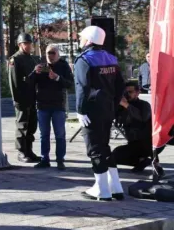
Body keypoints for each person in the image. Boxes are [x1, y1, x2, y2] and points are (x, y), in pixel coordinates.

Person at [75, 25, 125, 201]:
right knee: (104, 147)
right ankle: (116, 187)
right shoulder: (111, 59)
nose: (80, 40)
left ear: (89, 40)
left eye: (82, 37)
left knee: (95, 149)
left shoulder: (84, 60)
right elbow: (120, 86)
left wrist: (80, 111)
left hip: (91, 110)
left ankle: (102, 190)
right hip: (108, 109)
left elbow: (82, 88)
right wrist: (113, 105)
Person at [32, 45, 73, 170]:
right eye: (47, 53)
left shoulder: (63, 66)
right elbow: (29, 82)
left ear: (58, 54)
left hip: (58, 106)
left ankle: (60, 159)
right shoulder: (41, 66)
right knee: (44, 135)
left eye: (52, 53)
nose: (50, 55)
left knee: (59, 134)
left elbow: (70, 84)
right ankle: (45, 159)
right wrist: (34, 72)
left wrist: (57, 78)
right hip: (42, 105)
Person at [113, 80, 165, 175]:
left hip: (149, 143)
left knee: (146, 143)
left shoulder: (144, 105)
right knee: (115, 155)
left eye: (130, 92)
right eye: (125, 92)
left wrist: (127, 105)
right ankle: (142, 161)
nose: (127, 95)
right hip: (134, 143)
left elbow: (142, 118)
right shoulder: (120, 107)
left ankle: (156, 164)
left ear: (138, 93)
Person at [8, 33, 41, 163]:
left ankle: (29, 150)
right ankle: (21, 152)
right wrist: (17, 100)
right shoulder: (15, 59)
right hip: (22, 97)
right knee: (22, 126)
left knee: (32, 125)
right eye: (26, 43)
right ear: (20, 44)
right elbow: (14, 82)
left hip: (32, 96)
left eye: (29, 43)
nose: (28, 46)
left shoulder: (32, 59)